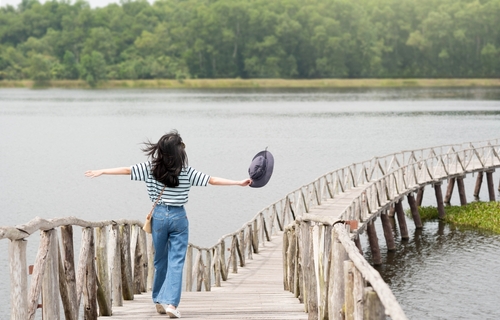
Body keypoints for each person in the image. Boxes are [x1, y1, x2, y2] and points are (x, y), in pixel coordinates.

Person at [85, 130, 251, 318]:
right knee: (176, 262)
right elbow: (212, 180)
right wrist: (238, 182)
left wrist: (102, 171)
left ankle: (157, 299)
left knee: (160, 260)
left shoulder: (150, 168)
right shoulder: (187, 172)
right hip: (179, 217)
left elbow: (127, 170)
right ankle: (172, 304)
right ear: (179, 152)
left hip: (159, 217)